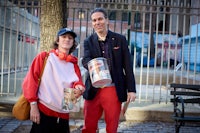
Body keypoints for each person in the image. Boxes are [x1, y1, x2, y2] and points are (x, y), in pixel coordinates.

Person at [81, 8, 136, 133]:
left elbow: (127, 66)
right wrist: (93, 66)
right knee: (88, 126)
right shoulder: (88, 41)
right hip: (93, 89)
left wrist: (131, 90)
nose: (97, 22)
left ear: (107, 20)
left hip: (113, 88)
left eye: (100, 19)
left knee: (112, 126)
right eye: (94, 20)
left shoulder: (120, 39)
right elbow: (86, 59)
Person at [22, 27, 85, 133]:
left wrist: (79, 88)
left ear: (73, 42)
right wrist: (33, 105)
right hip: (44, 110)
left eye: (70, 38)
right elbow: (30, 81)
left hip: (64, 113)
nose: (67, 39)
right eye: (64, 37)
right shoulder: (45, 57)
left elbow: (77, 82)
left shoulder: (73, 64)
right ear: (57, 40)